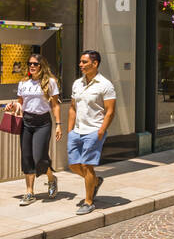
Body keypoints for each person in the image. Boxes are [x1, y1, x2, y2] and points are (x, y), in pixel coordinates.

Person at [8, 53, 61, 206]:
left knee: (40, 157)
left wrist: (58, 124)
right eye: (29, 63)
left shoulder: (50, 82)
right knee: (27, 157)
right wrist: (13, 106)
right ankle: (30, 192)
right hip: (26, 122)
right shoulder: (23, 83)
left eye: (35, 64)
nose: (32, 66)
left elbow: (55, 105)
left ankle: (51, 179)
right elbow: (20, 104)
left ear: (41, 66)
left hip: (43, 122)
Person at [68, 49, 116, 215]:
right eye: (80, 62)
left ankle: (88, 202)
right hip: (77, 131)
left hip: (94, 130)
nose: (80, 65)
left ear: (95, 64)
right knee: (73, 165)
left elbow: (110, 111)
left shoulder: (105, 85)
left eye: (84, 62)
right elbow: (73, 107)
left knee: (86, 166)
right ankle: (95, 181)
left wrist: (101, 130)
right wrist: (70, 130)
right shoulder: (77, 83)